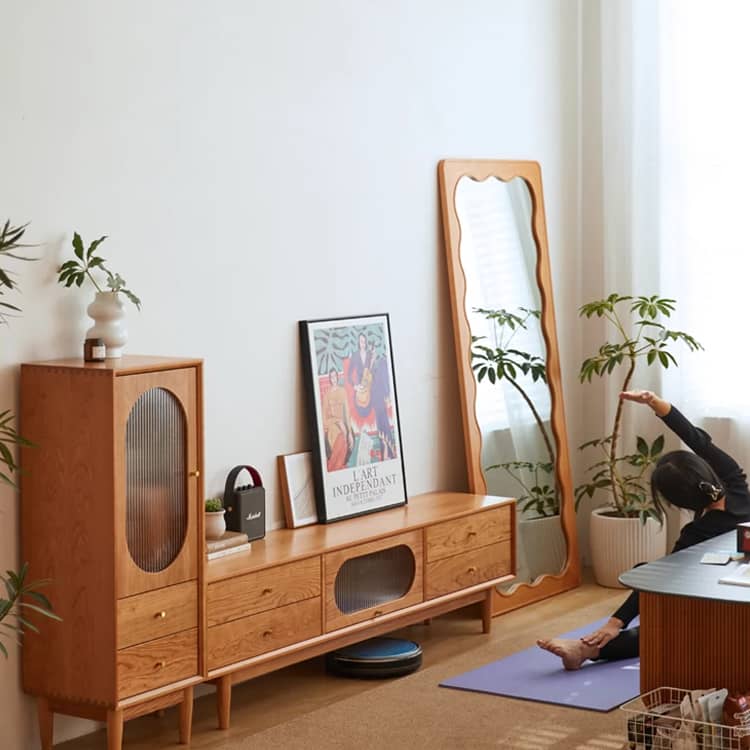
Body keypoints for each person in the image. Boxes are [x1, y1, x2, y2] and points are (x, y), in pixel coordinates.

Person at [537, 389, 750, 670]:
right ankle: (585, 649)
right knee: (652, 574)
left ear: (675, 502)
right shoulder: (735, 483)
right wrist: (655, 403)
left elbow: (657, 580)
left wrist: (615, 622)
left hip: (734, 607)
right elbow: (700, 441)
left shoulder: (695, 536)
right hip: (736, 593)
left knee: (667, 611)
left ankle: (586, 649)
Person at [321, 369, 353, 472]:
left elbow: (347, 412)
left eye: (335, 376)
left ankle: (341, 464)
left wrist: (349, 432)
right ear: (330, 379)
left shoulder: (342, 391)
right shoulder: (327, 394)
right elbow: (324, 419)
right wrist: (337, 421)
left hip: (342, 423)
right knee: (338, 435)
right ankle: (335, 466)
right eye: (331, 377)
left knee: (349, 435)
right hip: (332, 424)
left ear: (337, 378)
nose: (333, 379)